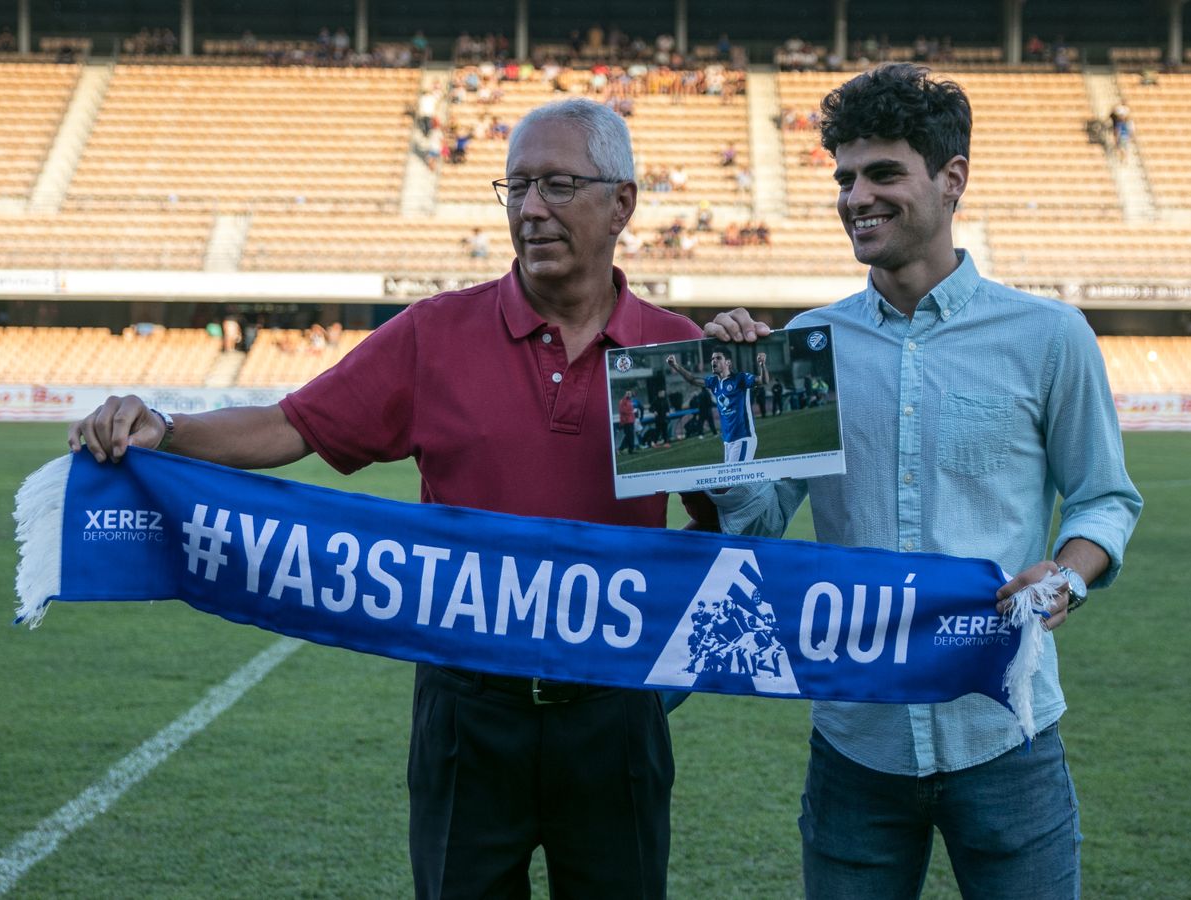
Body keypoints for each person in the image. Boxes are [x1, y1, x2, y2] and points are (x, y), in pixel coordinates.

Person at [69, 99, 715, 900]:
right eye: (514, 189)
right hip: (466, 713)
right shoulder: (435, 334)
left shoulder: (677, 348)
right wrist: (163, 428)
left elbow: (723, 523)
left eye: (556, 185)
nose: (531, 210)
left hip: (615, 714)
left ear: (622, 203)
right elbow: (286, 426)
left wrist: (750, 405)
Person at [701, 64, 1142, 899]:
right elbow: (756, 531)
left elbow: (1104, 499)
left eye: (881, 173)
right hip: (855, 745)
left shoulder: (1049, 336)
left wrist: (1067, 576)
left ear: (952, 179)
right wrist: (732, 418)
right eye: (843, 177)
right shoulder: (808, 347)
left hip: (1005, 734)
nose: (854, 196)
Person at [665, 347, 769, 463]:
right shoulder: (714, 382)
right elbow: (693, 380)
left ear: (728, 362)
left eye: (718, 358)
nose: (714, 361)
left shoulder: (740, 379)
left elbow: (763, 381)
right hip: (728, 440)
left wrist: (762, 365)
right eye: (712, 358)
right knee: (731, 479)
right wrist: (675, 365)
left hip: (743, 437)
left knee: (735, 479)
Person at [617, 389, 638, 454]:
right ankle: (622, 448)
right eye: (628, 393)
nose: (629, 395)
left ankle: (630, 449)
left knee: (630, 435)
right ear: (625, 394)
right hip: (626, 420)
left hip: (630, 420)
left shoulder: (629, 401)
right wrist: (631, 412)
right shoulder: (623, 401)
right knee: (629, 435)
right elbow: (622, 411)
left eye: (630, 393)